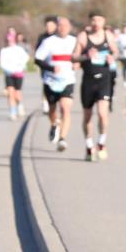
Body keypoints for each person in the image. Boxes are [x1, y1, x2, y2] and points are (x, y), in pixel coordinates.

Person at [73, 11, 119, 161]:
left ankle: (101, 143)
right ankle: (89, 146)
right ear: (90, 21)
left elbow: (116, 52)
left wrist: (112, 57)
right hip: (88, 81)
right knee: (87, 116)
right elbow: (74, 57)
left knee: (102, 113)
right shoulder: (83, 37)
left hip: (104, 80)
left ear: (104, 21)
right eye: (93, 20)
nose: (96, 23)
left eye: (99, 20)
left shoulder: (108, 36)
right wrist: (86, 56)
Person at [34, 16, 78, 152]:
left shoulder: (74, 41)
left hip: (67, 80)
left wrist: (79, 63)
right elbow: (37, 60)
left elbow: (81, 56)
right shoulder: (48, 42)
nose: (63, 28)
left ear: (70, 27)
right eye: (60, 25)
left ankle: (62, 139)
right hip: (51, 81)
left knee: (65, 108)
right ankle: (54, 124)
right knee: (52, 110)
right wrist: (51, 68)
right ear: (57, 27)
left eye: (65, 25)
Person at [0, 29, 29, 120]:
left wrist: (20, 67)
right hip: (9, 74)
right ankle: (13, 112)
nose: (10, 42)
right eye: (8, 40)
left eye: (11, 40)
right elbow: (2, 63)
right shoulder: (4, 50)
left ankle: (20, 104)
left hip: (18, 74)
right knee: (10, 93)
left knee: (17, 94)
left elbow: (25, 59)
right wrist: (9, 70)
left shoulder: (19, 49)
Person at [35, 16, 58, 114]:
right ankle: (45, 103)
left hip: (57, 65)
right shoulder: (42, 37)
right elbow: (38, 52)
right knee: (46, 83)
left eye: (51, 26)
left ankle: (55, 102)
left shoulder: (58, 37)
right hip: (45, 66)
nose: (49, 28)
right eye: (47, 26)